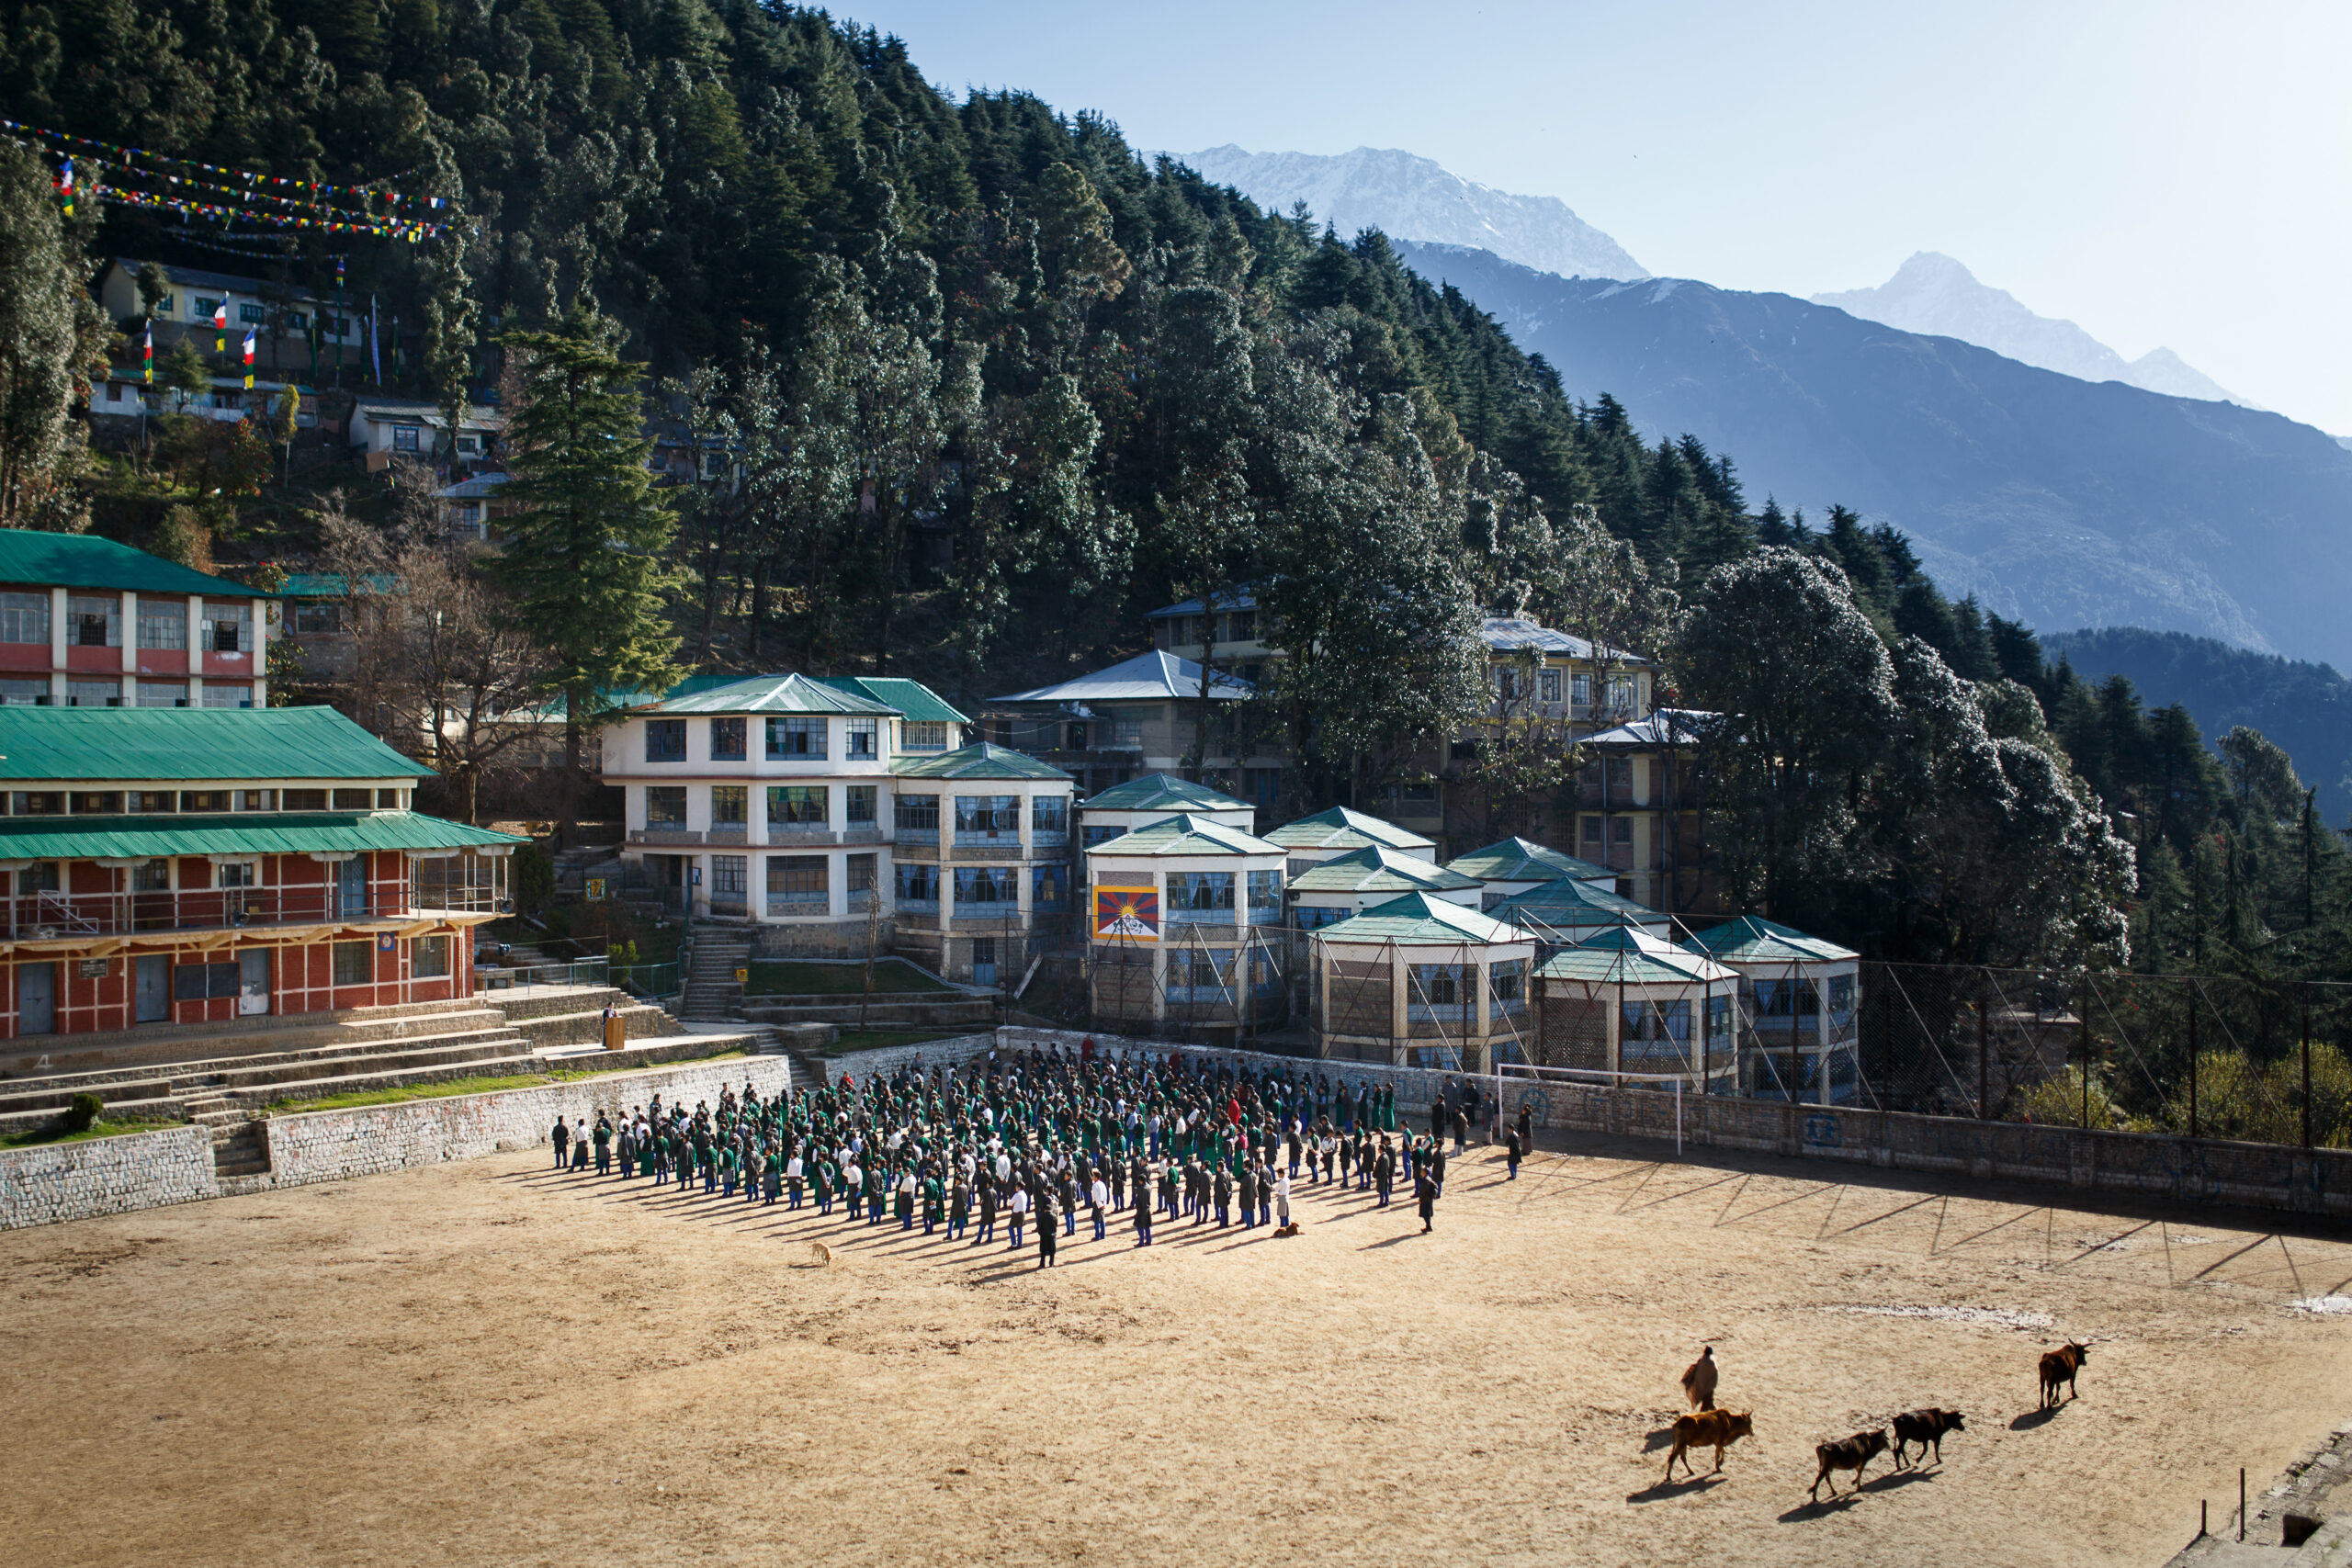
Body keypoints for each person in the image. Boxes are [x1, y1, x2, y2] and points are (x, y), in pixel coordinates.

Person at [1416, 1168, 1437, 1234]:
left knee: (1425, 1214)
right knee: (1427, 1213)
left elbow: (1423, 1191)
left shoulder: (1425, 1181)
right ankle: (1428, 1226)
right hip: (1429, 1198)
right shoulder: (1428, 1179)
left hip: (1426, 1199)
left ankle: (1429, 1226)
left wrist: (1420, 1199)